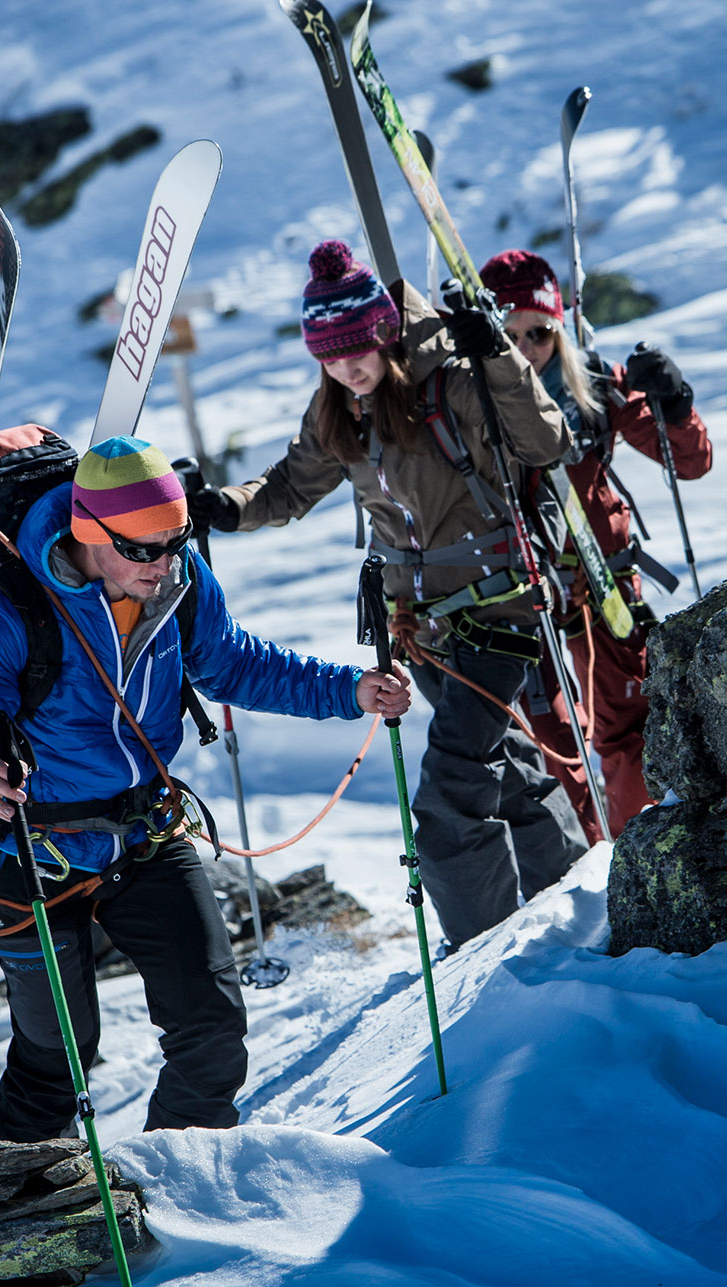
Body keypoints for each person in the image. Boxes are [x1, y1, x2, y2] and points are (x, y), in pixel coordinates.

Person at [0, 434, 411, 1142]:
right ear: (91, 534)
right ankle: (19, 1207)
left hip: (145, 832)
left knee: (212, 1030)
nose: (163, 562)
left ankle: (174, 1182)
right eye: (143, 548)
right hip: (34, 847)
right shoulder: (16, 607)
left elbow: (237, 665)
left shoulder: (179, 584)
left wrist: (348, 690)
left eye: (175, 542)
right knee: (56, 1059)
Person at [188, 239, 589, 948]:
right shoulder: (338, 412)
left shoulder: (452, 382)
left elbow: (547, 441)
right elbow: (290, 486)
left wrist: (496, 356)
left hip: (499, 611)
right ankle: (577, 904)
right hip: (420, 628)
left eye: (356, 349)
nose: (347, 366)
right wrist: (227, 505)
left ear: (381, 332)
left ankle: (485, 951)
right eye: (329, 356)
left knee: (452, 795)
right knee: (508, 773)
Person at [477, 249, 712, 841]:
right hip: (523, 592)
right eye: (510, 336)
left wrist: (675, 402)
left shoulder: (595, 385)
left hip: (607, 582)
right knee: (554, 743)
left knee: (628, 725)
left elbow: (689, 462)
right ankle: (591, 864)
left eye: (540, 331)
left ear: (560, 326)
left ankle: (647, 851)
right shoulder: (471, 406)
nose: (527, 347)